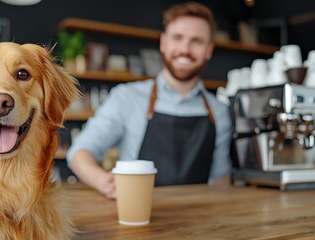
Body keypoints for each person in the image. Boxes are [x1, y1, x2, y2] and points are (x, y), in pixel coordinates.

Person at [66, 2, 232, 199]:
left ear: (209, 50)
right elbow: (79, 153)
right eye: (177, 38)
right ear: (163, 42)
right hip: (139, 215)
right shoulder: (127, 97)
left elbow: (221, 178)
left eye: (196, 41)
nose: (185, 49)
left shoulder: (219, 111)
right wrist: (104, 182)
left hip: (199, 220)